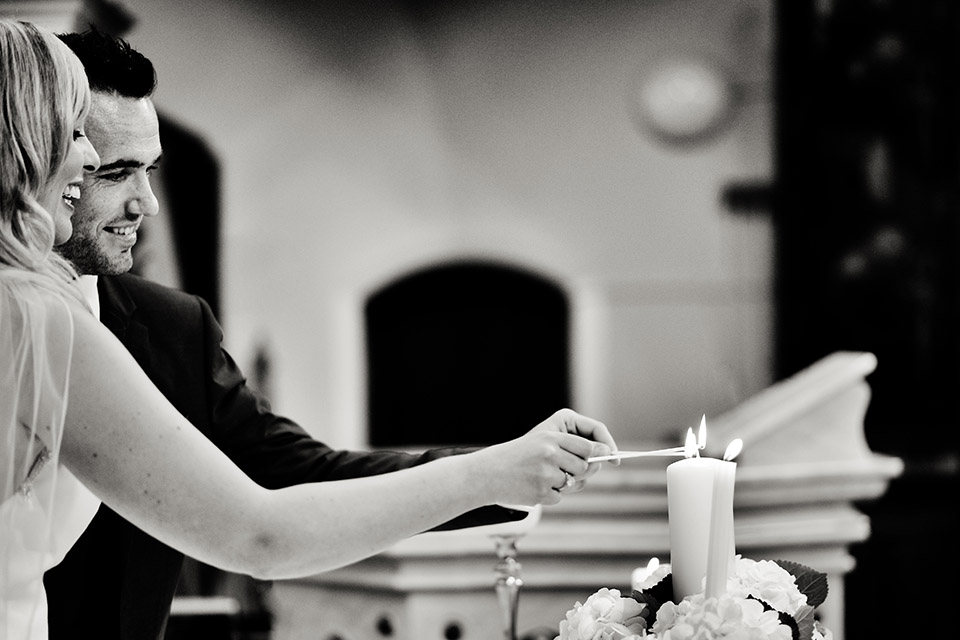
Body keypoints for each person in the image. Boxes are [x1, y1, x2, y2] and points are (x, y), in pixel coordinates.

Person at [0, 19, 619, 640]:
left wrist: (497, 470)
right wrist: (492, 474)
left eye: (151, 170)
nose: (147, 203)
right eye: (108, 168)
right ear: (27, 153)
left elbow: (300, 472)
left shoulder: (169, 328)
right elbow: (259, 533)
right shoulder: (41, 320)